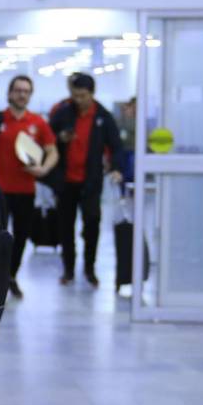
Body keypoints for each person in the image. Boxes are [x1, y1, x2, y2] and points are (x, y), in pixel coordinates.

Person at [0, 74, 58, 298]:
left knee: (21, 236)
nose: (22, 94)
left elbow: (53, 151)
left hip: (26, 191)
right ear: (9, 93)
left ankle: (11, 276)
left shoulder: (38, 123)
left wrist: (44, 168)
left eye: (26, 91)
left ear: (30, 95)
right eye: (18, 90)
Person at [49, 72, 124, 287]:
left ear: (92, 93)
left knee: (92, 225)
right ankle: (68, 270)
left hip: (91, 181)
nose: (78, 100)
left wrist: (117, 168)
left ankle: (90, 269)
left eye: (82, 95)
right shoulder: (63, 113)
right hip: (65, 181)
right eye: (75, 95)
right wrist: (60, 139)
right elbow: (46, 137)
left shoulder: (103, 117)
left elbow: (116, 145)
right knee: (65, 227)